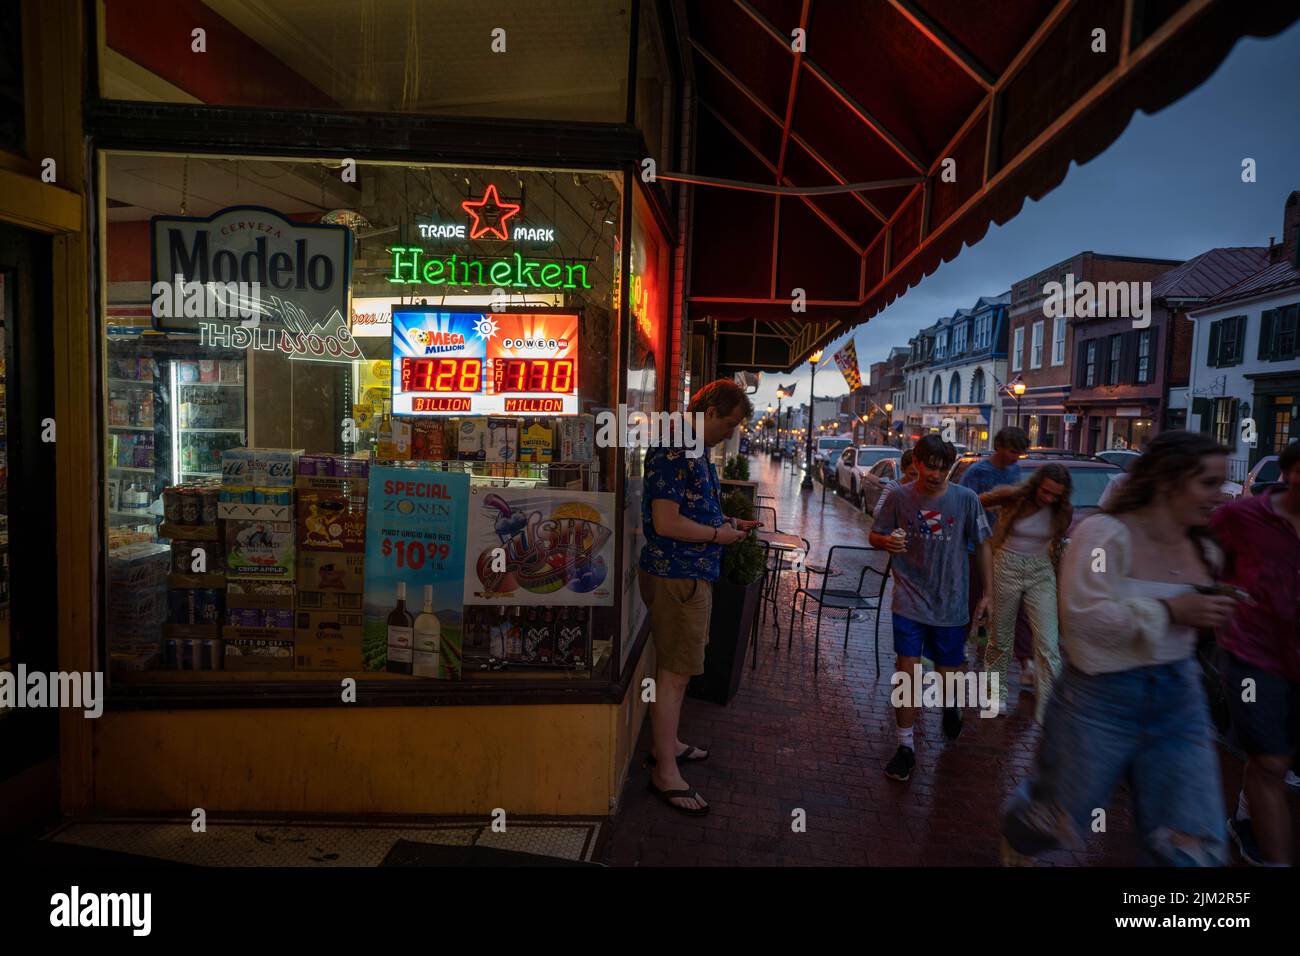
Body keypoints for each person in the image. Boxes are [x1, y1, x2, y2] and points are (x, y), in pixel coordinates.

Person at [1000, 431, 1238, 866]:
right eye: (1208, 482)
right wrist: (1170, 610)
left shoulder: (1205, 548)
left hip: (1180, 697)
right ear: (1168, 481)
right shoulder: (1102, 536)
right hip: (1099, 697)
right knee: (1045, 821)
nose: (1218, 495)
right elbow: (1084, 619)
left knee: (1190, 843)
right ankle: (1018, 845)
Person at [638, 379, 756, 815]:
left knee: (678, 671)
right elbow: (667, 522)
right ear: (710, 412)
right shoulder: (674, 450)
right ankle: (664, 770)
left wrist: (725, 522)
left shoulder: (691, 448)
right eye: (728, 424)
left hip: (686, 575)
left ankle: (668, 746)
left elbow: (686, 509)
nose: (730, 433)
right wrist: (716, 535)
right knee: (674, 674)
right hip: (679, 577)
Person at [869, 435, 992, 782]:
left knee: (947, 672)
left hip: (951, 600)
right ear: (917, 463)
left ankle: (951, 703)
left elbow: (983, 546)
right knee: (907, 670)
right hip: (909, 596)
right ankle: (905, 747)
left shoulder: (965, 500)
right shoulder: (898, 495)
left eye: (943, 468)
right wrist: (886, 541)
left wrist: (988, 595)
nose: (936, 475)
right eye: (930, 467)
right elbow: (874, 534)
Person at [1210, 439, 1300, 866]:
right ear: (1292, 472)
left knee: (1277, 759)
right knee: (1271, 760)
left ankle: (1246, 817)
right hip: (1253, 654)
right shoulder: (1239, 517)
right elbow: (1198, 565)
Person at [978, 465, 1072, 722]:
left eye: (1056, 495)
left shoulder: (1063, 510)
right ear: (1036, 485)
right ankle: (995, 698)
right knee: (1000, 638)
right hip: (1006, 564)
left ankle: (1047, 710)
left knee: (1048, 644)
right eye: (1045, 492)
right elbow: (977, 502)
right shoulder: (1015, 496)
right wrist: (985, 535)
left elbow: (1059, 541)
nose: (1049, 498)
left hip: (1041, 569)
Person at [960, 427, 1035, 690]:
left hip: (1004, 545)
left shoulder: (1015, 471)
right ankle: (961, 644)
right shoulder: (977, 472)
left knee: (1017, 603)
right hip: (975, 544)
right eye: (1013, 451)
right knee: (971, 598)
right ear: (999, 446)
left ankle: (1027, 661)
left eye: (1020, 453)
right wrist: (992, 502)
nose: (1016, 457)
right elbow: (963, 505)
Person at [873, 448, 917, 517]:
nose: (915, 479)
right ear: (903, 469)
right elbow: (877, 512)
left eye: (919, 474)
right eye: (912, 474)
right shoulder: (893, 486)